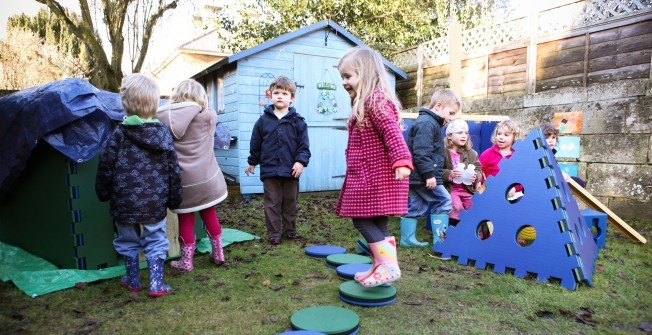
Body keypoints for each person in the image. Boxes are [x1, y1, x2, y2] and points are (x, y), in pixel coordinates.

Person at [95, 74, 181, 297]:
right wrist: (174, 199)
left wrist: (103, 192)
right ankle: (155, 283)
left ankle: (133, 280)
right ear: (155, 104)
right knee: (155, 239)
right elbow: (173, 169)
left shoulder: (119, 134)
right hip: (154, 202)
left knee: (127, 239)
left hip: (124, 201)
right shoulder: (162, 134)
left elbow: (106, 166)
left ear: (125, 103)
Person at [335, 46, 413, 287]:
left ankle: (388, 266)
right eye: (343, 77)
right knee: (377, 220)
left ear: (365, 73)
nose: (344, 82)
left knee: (361, 219)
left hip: (375, 175)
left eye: (348, 76)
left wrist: (401, 161)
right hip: (369, 173)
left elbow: (392, 133)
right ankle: (382, 266)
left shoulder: (375, 101)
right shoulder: (366, 101)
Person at [157, 79, 229, 272]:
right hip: (207, 180)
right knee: (210, 214)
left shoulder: (165, 120)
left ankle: (186, 262)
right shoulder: (209, 117)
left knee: (186, 220)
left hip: (183, 184)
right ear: (201, 98)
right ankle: (218, 253)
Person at [245, 75, 311, 245]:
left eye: (284, 93)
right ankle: (274, 233)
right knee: (272, 203)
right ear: (271, 95)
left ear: (292, 98)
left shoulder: (298, 122)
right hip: (270, 170)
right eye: (276, 93)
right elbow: (256, 143)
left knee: (291, 202)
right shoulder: (263, 121)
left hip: (291, 170)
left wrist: (300, 161)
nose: (280, 96)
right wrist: (252, 161)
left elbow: (303, 146)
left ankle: (290, 230)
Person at [404, 88, 459, 247]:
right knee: (444, 201)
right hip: (424, 176)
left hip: (417, 175)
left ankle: (407, 240)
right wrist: (429, 175)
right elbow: (422, 152)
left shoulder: (430, 122)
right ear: (439, 106)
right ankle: (440, 241)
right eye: (451, 113)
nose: (451, 118)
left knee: (416, 206)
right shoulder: (427, 123)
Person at [477, 119, 522, 239]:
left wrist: (516, 188)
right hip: (491, 190)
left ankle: (512, 235)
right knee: (488, 211)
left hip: (510, 191)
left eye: (506, 135)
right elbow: (479, 170)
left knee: (514, 212)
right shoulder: (488, 153)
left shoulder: (517, 155)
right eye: (499, 134)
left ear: (514, 137)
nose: (501, 137)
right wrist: (479, 184)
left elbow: (521, 176)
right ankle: (484, 234)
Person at [442, 119, 483, 226]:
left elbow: (478, 169)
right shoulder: (443, 152)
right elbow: (435, 170)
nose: (464, 135)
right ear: (450, 135)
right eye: (460, 133)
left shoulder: (471, 153)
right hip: (450, 189)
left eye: (466, 133)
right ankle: (452, 233)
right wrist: (450, 174)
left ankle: (470, 231)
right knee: (456, 206)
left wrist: (476, 177)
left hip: (467, 189)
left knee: (474, 207)